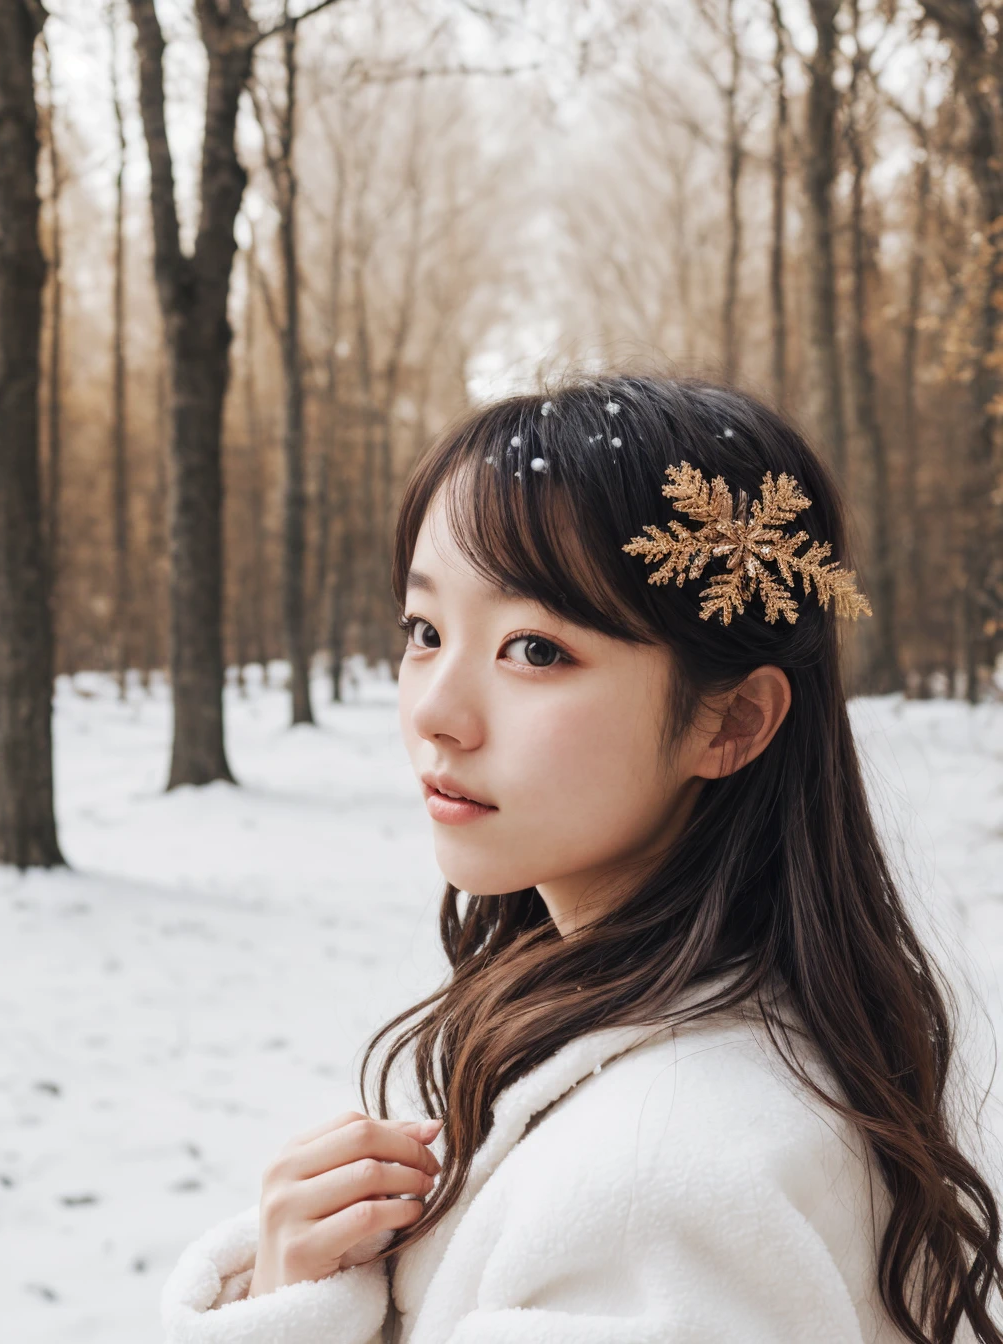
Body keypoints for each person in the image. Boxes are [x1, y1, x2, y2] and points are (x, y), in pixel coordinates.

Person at [161, 375, 1003, 1343]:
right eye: (424, 632)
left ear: (729, 722)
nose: (436, 710)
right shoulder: (691, 1057)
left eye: (534, 650)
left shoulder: (656, 1200)